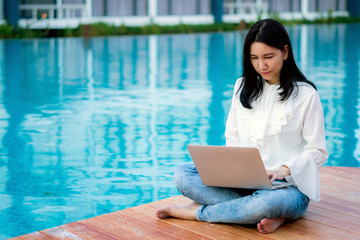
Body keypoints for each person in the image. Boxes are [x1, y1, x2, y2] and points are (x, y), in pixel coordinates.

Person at [155, 19, 328, 234]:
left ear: (285, 52)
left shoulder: (307, 95)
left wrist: (285, 169)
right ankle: (267, 215)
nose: (261, 65)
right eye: (254, 58)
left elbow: (318, 151)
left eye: (268, 57)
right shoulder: (241, 87)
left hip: (288, 189)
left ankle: (197, 212)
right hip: (244, 185)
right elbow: (233, 139)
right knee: (183, 174)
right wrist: (230, 172)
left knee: (263, 203)